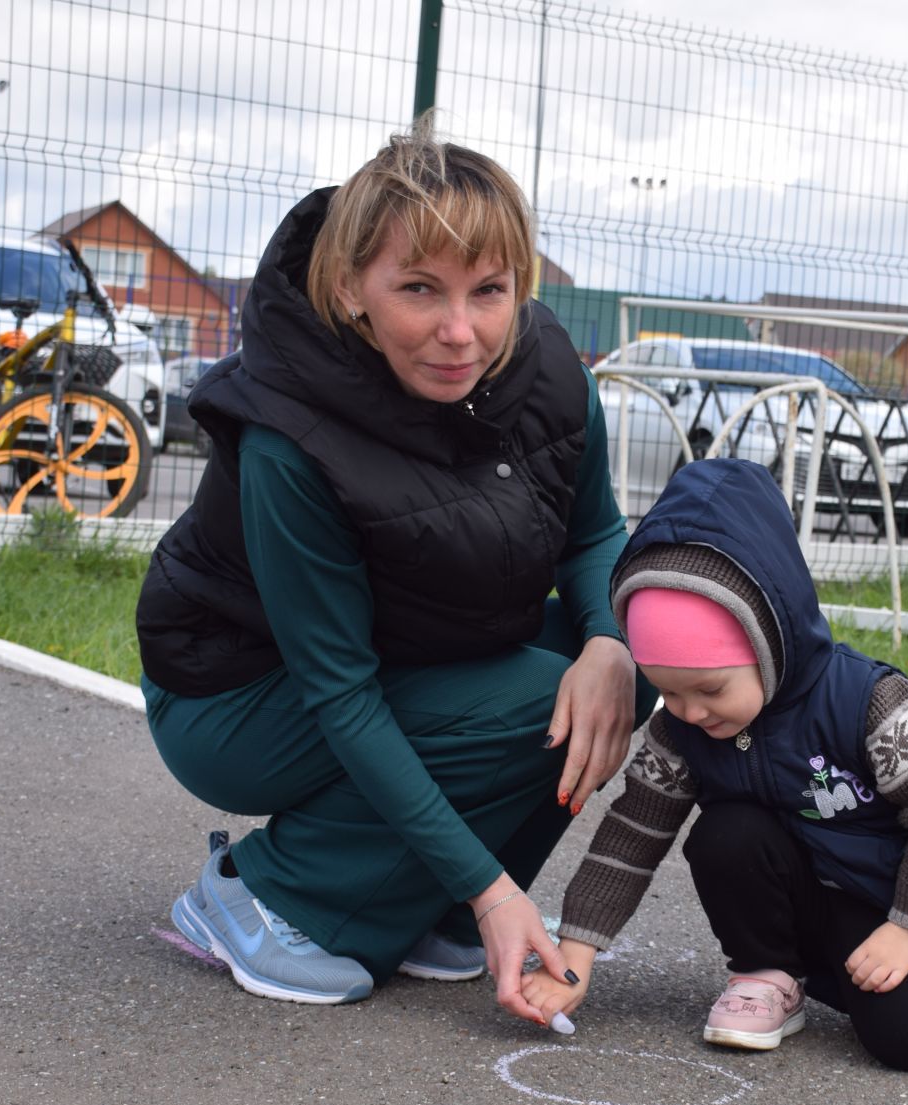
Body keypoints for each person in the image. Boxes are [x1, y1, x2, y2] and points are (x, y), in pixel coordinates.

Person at [135, 117, 649, 1022]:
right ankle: (262, 897)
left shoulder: (553, 370)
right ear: (350, 288)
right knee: (537, 699)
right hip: (234, 695)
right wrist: (498, 892)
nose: (460, 331)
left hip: (399, 646)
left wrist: (610, 642)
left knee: (617, 671)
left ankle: (424, 904)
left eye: (489, 290)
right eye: (419, 289)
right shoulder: (288, 441)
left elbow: (596, 534)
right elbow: (340, 690)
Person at [522, 458, 908, 1072]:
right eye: (668, 691)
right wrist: (575, 954)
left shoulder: (867, 704)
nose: (690, 712)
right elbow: (633, 833)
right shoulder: (681, 728)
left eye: (709, 689)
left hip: (882, 911)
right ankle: (768, 976)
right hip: (788, 907)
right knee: (726, 833)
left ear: (767, 641)